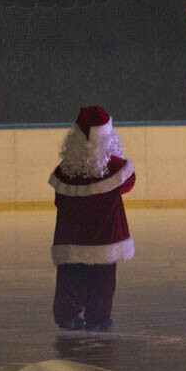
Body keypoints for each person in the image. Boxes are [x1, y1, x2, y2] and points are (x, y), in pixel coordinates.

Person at [49, 106, 136, 331]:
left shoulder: (63, 171)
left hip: (71, 235)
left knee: (70, 274)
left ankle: (67, 314)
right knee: (103, 278)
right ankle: (98, 319)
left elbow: (58, 200)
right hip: (104, 237)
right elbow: (128, 184)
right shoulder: (116, 169)